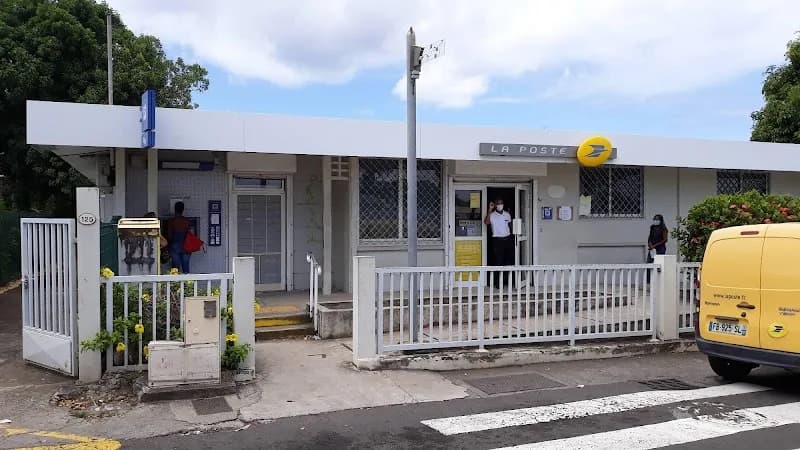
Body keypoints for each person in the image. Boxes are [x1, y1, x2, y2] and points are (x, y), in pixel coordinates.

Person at [484, 197, 513, 285]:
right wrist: (490, 209)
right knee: (498, 262)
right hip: (497, 241)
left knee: (508, 261)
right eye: (498, 203)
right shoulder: (492, 215)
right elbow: (486, 222)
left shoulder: (507, 214)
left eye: (501, 203)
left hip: (507, 240)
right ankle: (497, 282)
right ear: (495, 205)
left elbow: (510, 226)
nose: (500, 205)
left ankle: (506, 281)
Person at [167, 202, 191, 273]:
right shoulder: (187, 221)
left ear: (174, 210)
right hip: (186, 247)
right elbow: (191, 234)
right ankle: (187, 283)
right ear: (183, 210)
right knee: (185, 267)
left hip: (175, 247)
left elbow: (169, 236)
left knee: (175, 268)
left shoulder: (172, 221)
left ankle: (175, 283)